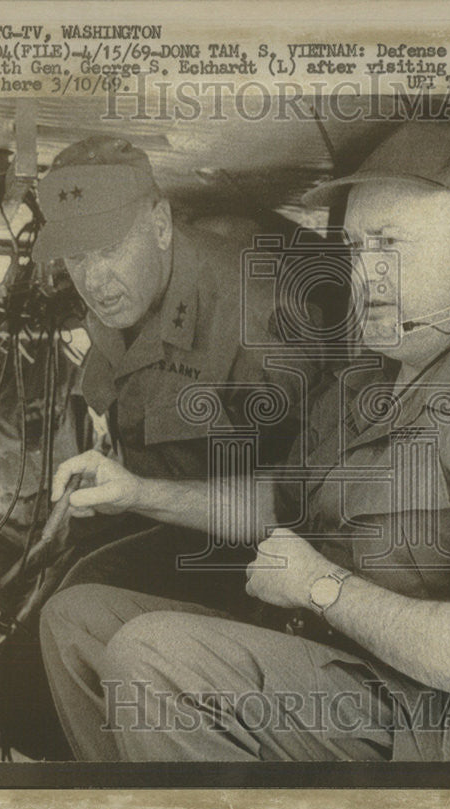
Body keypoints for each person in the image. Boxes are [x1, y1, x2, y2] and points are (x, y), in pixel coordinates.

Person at [39, 122, 450, 761]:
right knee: (76, 624)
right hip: (348, 663)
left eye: (389, 244)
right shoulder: (376, 373)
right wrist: (139, 492)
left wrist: (322, 587)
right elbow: (284, 503)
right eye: (354, 246)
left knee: (151, 658)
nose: (364, 272)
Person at [28, 135, 299, 601]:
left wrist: (143, 494)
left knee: (76, 604)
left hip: (257, 555)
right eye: (76, 256)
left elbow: (308, 502)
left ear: (159, 225)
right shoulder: (121, 299)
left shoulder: (258, 318)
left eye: (110, 248)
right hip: (154, 517)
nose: (93, 282)